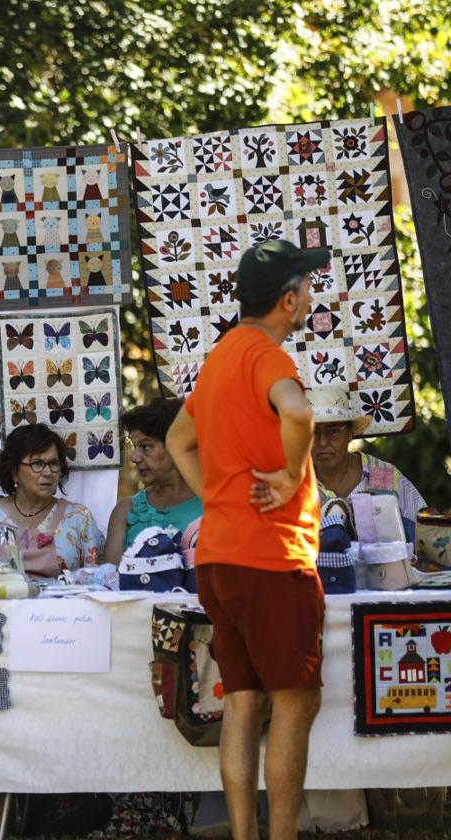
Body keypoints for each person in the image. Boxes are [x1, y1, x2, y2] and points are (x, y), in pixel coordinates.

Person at [166, 239, 327, 840]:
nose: (311, 296)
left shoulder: (220, 356)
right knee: (292, 703)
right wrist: (290, 476)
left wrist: (215, 498)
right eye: (307, 289)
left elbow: (181, 440)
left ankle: (243, 835)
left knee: (241, 700)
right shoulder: (266, 356)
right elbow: (299, 414)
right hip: (272, 558)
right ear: (288, 300)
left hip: (219, 559)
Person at [0, 423, 103, 575]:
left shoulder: (79, 519)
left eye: (54, 464)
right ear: (14, 471)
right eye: (37, 463)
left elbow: (97, 584)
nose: (48, 472)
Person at [309, 388, 426, 541]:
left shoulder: (383, 476)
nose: (323, 442)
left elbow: (426, 535)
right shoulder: (295, 484)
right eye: (313, 432)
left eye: (333, 431)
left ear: (350, 433)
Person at [103, 397, 202, 564]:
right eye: (135, 447)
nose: (135, 457)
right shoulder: (125, 512)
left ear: (176, 445)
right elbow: (109, 582)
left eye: (146, 446)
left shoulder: (214, 505)